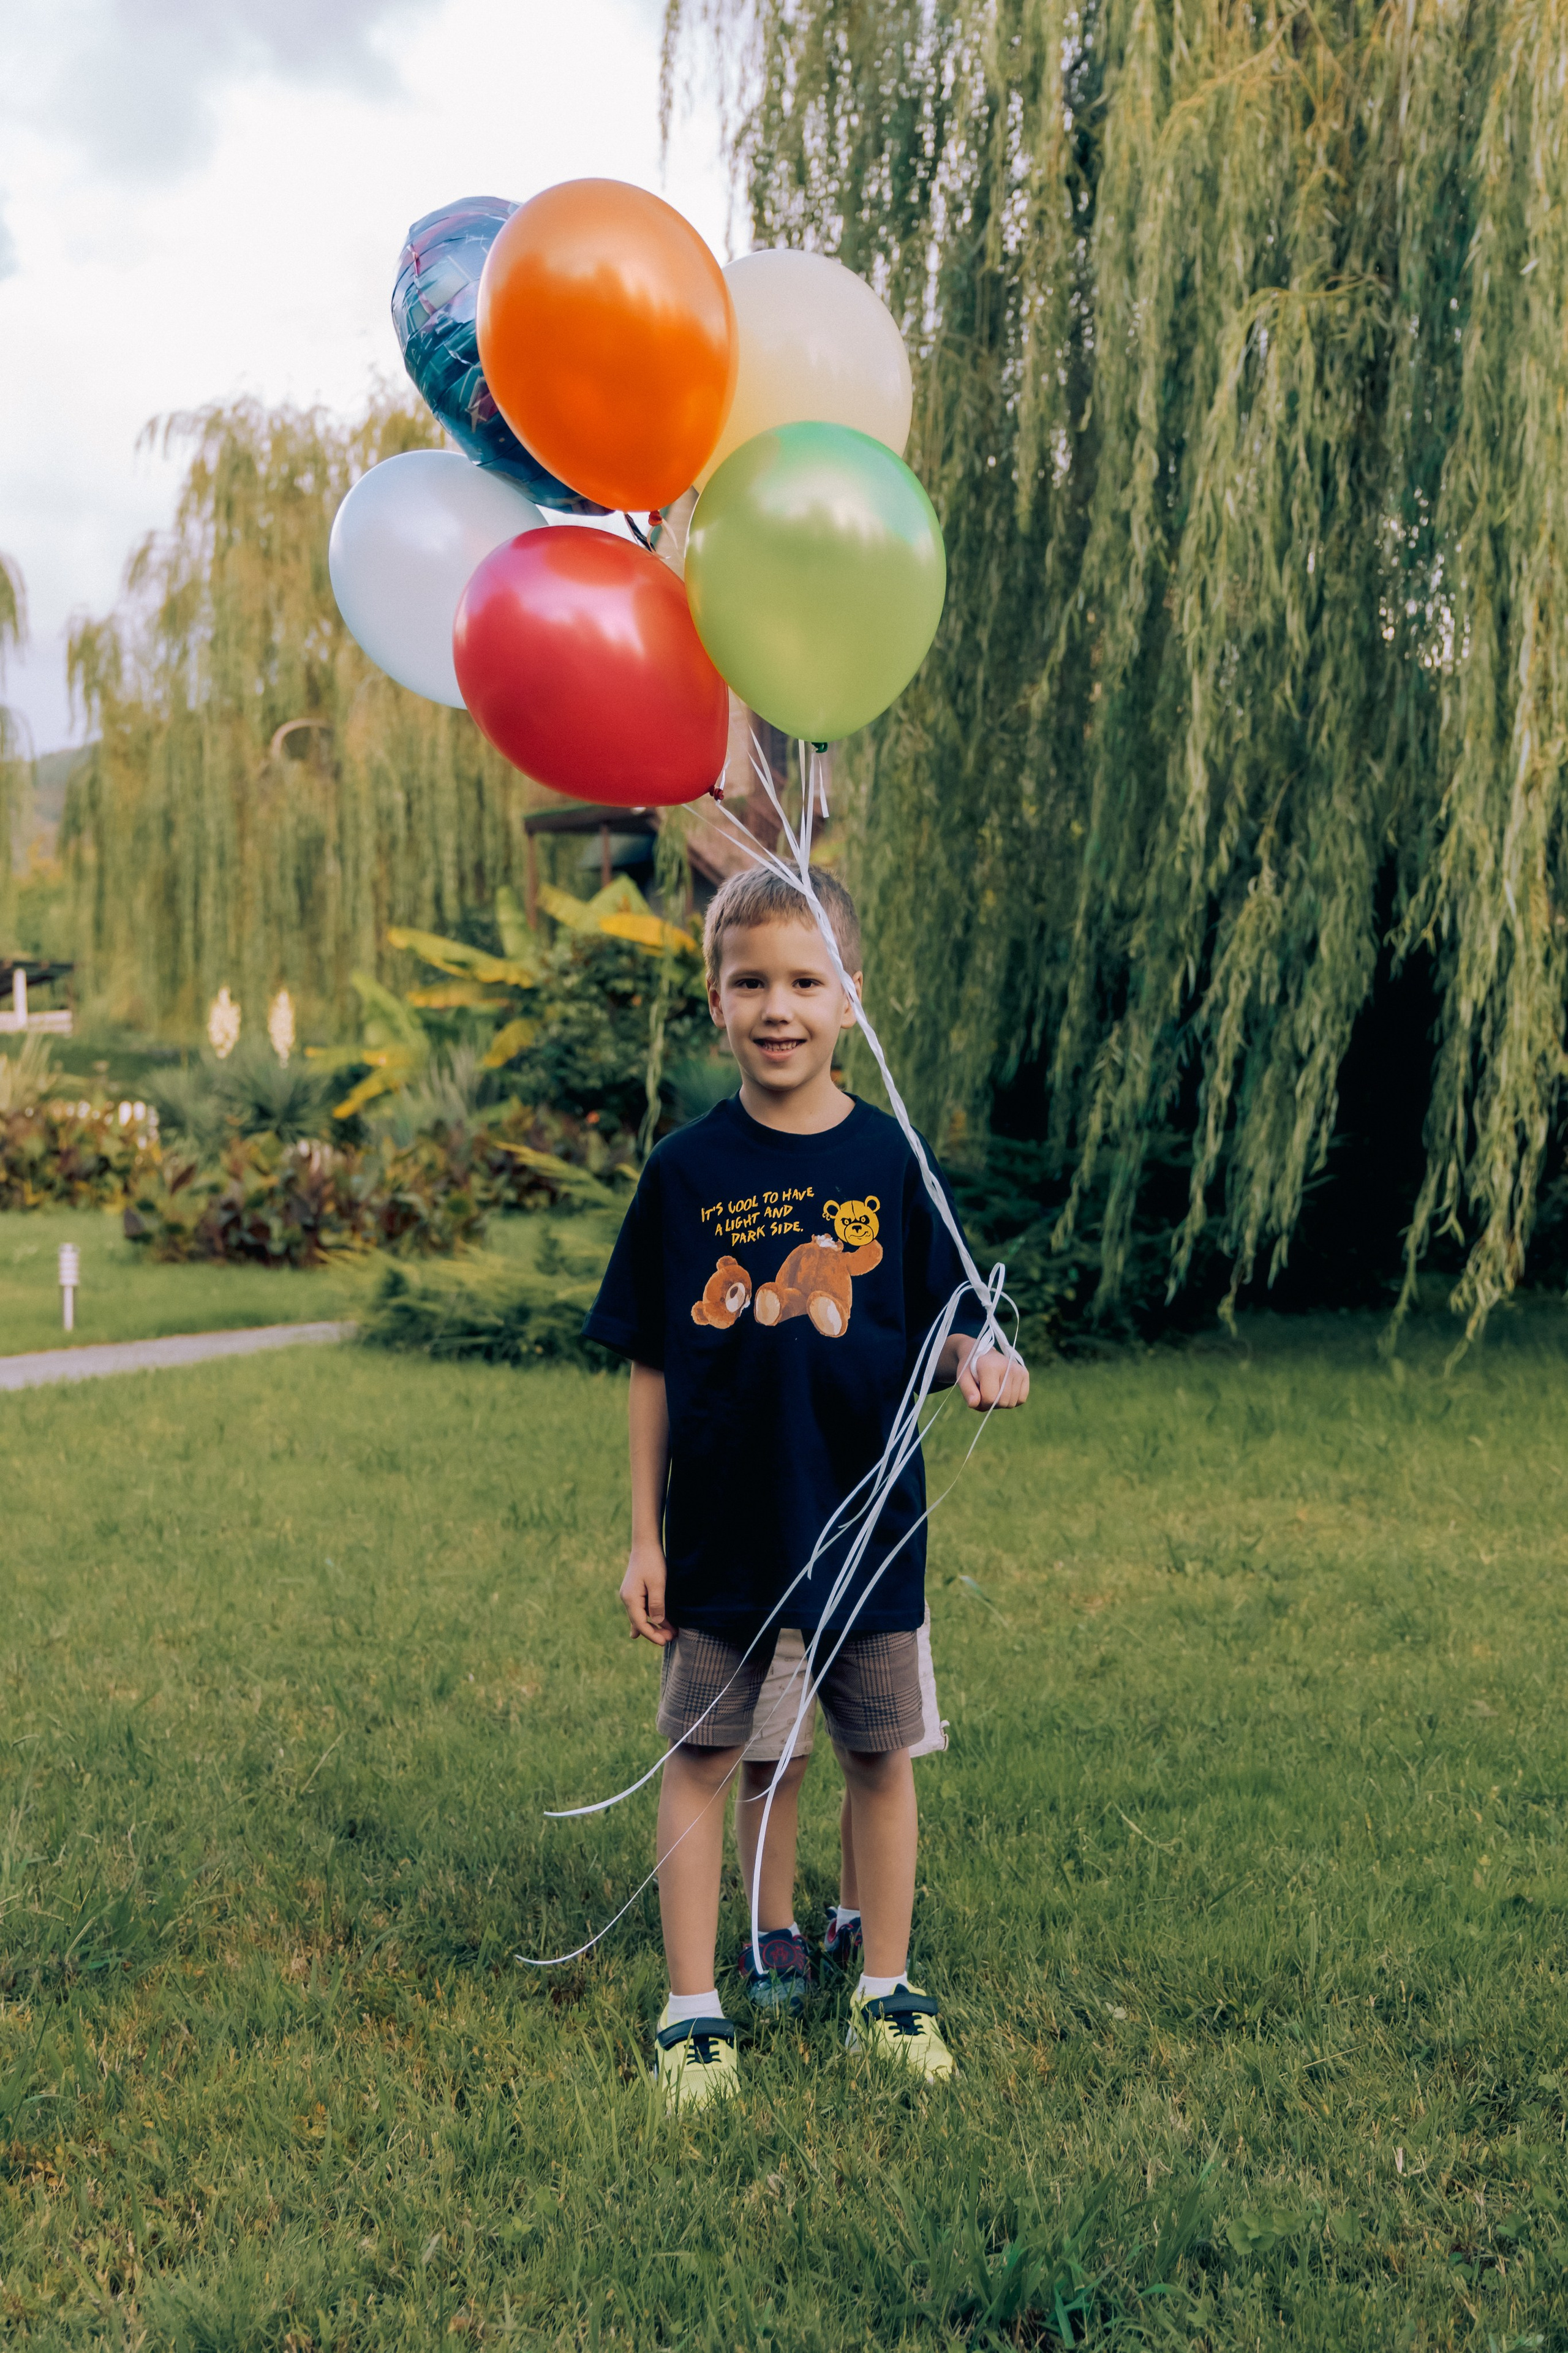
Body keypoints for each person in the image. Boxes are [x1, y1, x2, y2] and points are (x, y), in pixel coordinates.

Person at [583, 864, 1029, 2111]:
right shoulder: (682, 1171)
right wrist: (641, 1537)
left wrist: (979, 1359)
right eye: (750, 983)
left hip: (870, 1532)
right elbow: (654, 1363)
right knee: (715, 1754)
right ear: (712, 1001)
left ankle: (883, 1988)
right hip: (726, 1531)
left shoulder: (890, 1158)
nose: (777, 1007)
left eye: (804, 981)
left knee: (879, 1757)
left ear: (848, 1000)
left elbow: (939, 1323)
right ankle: (691, 2011)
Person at [731, 1612, 948, 2017]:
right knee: (772, 1761)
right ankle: (774, 1935)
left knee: (871, 1754)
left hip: (866, 1582)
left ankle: (855, 1920)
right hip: (770, 1582)